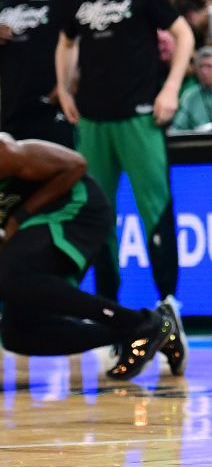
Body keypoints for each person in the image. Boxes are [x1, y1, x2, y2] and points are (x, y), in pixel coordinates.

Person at [55, 0, 192, 316]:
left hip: (140, 118)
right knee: (99, 215)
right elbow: (65, 43)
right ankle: (107, 307)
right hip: (93, 121)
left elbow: (183, 34)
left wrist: (170, 90)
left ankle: (168, 302)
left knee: (156, 208)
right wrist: (63, 89)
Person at [0, 135, 186, 379]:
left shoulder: (5, 152)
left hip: (77, 208)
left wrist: (19, 216)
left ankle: (143, 324)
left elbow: (76, 164)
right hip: (30, 231)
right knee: (19, 335)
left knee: (10, 272)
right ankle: (148, 328)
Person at [0, 0, 74, 147]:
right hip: (12, 107)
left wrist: (67, 84)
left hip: (51, 103)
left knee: (62, 171)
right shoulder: (2, 4)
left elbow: (78, 42)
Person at [172, 46, 212, 131]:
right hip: (199, 140)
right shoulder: (190, 96)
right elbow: (177, 128)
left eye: (209, 66)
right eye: (201, 66)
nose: (204, 71)